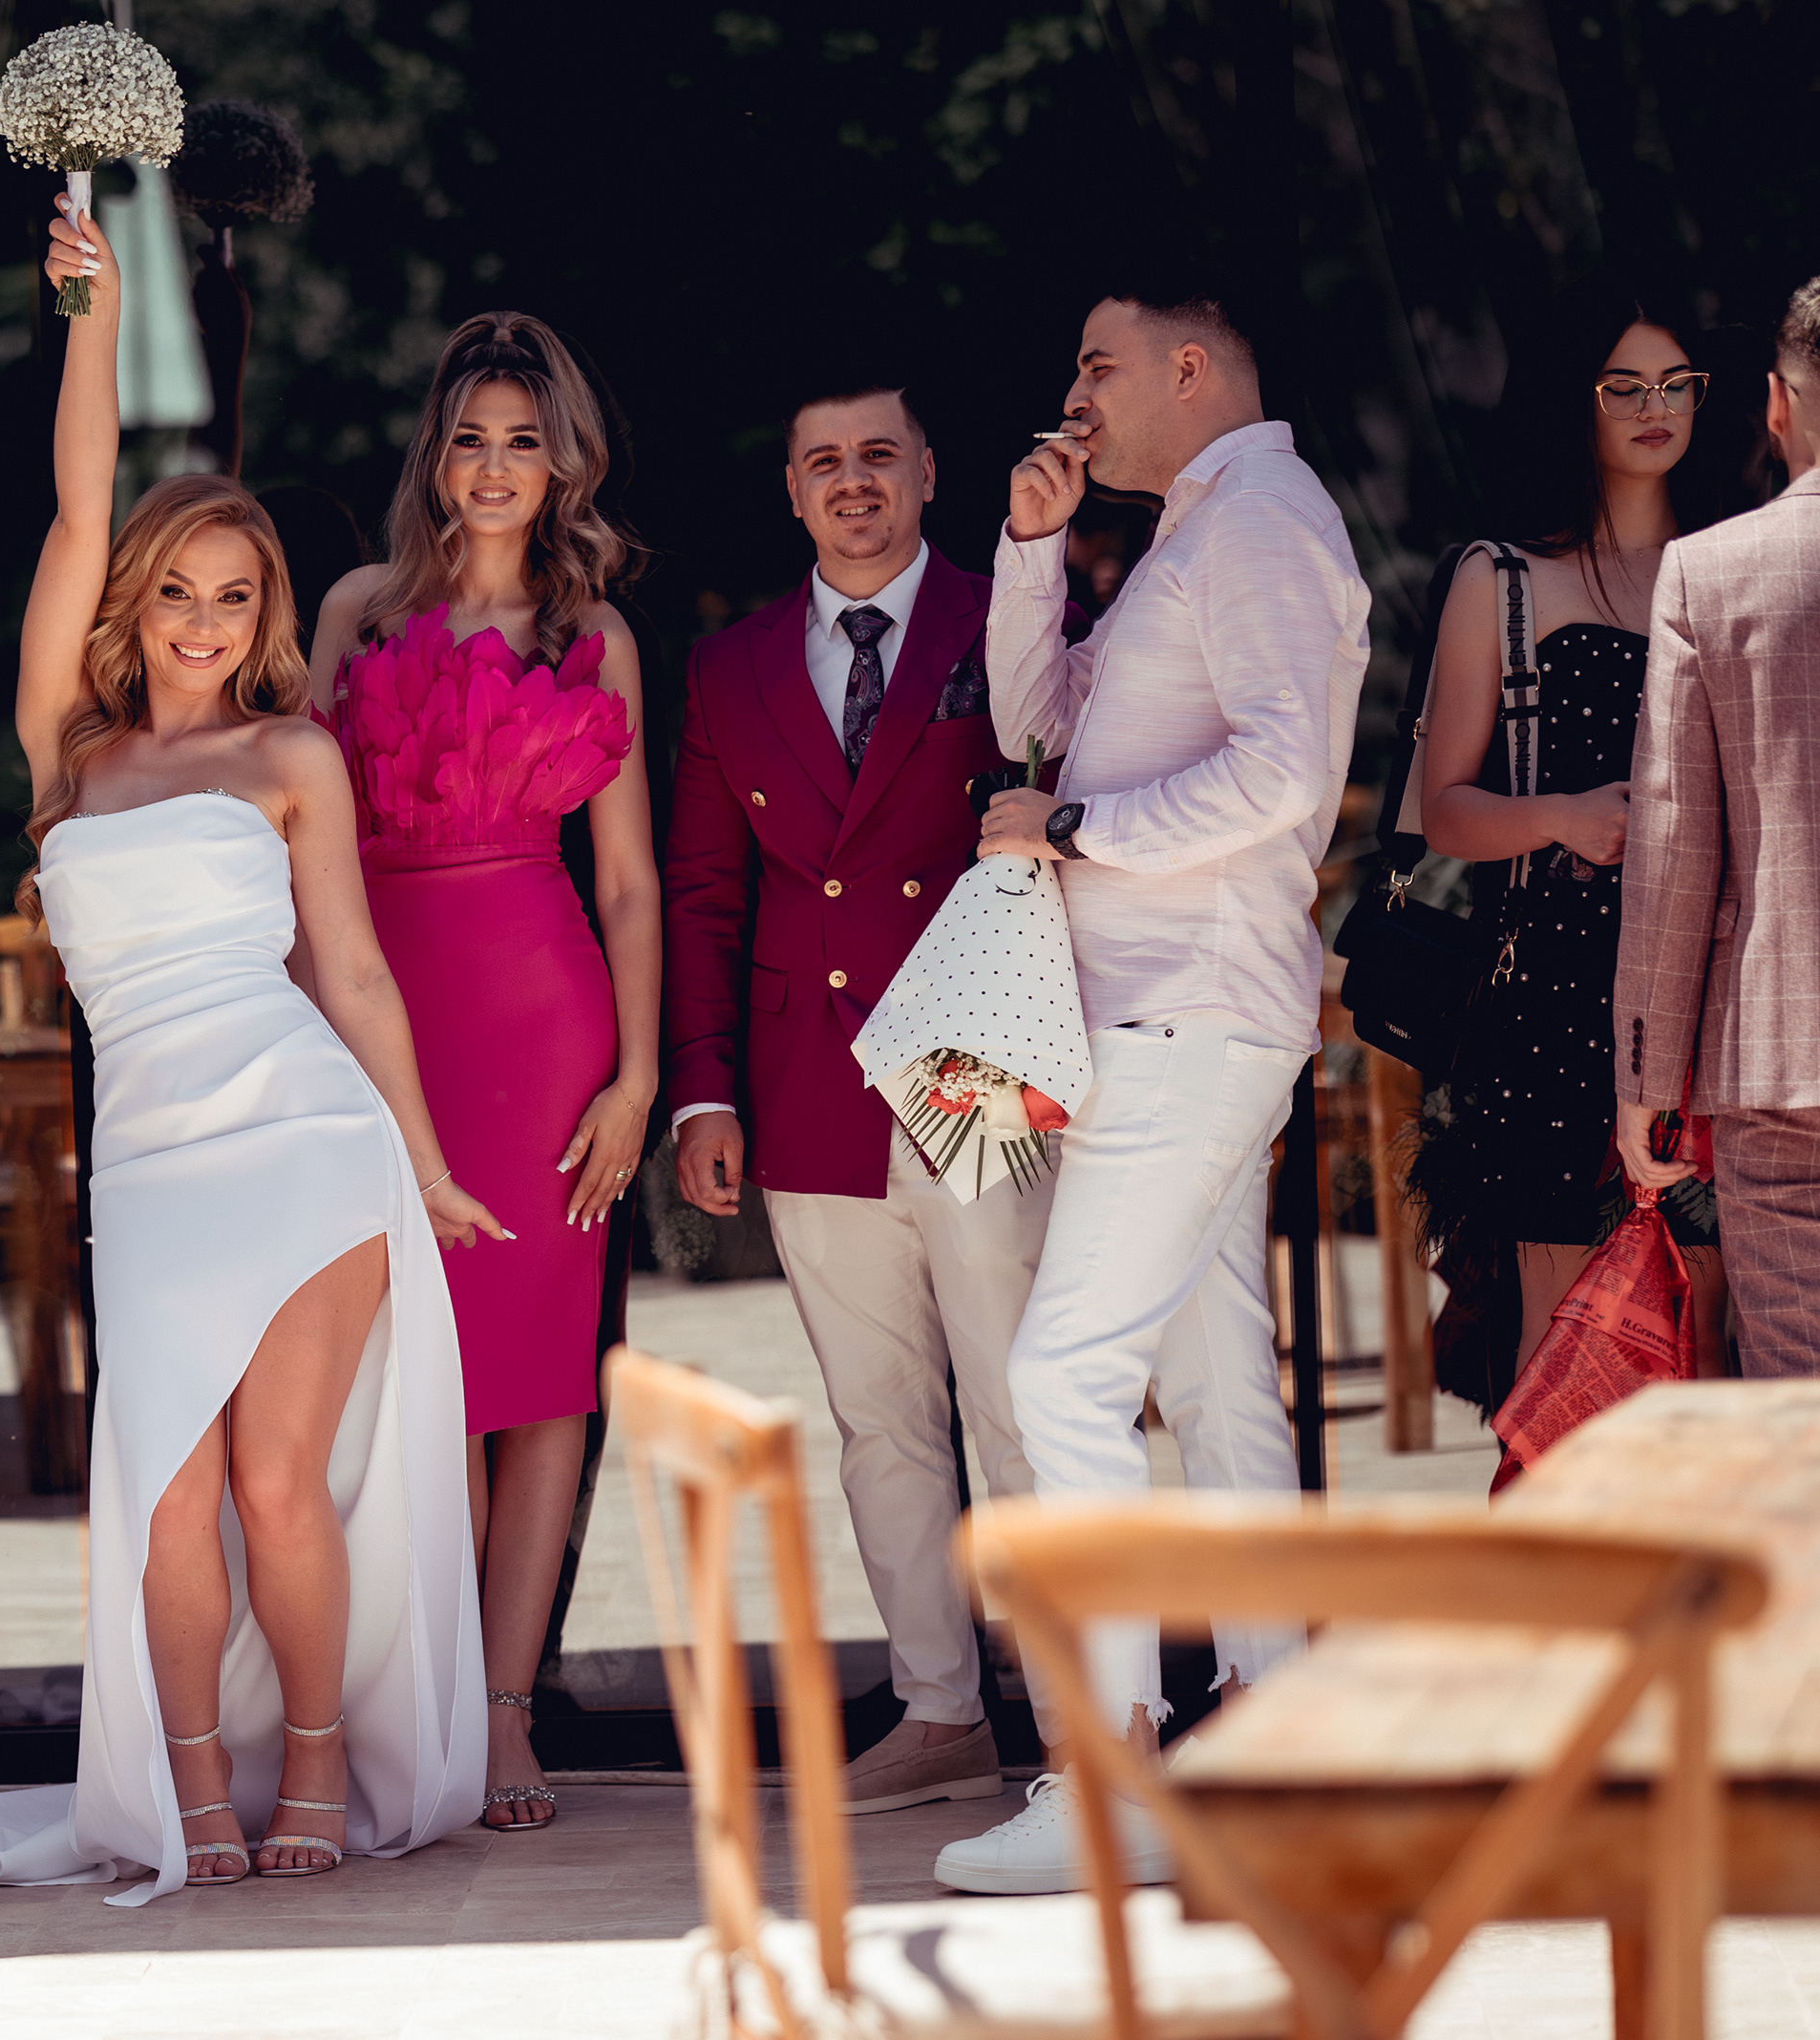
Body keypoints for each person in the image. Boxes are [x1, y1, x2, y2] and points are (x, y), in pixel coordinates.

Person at [0, 199, 496, 1901]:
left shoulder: (293, 758)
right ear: (137, 602)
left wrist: (423, 1163)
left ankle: (318, 1773)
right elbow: (76, 504)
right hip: (150, 1165)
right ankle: (192, 1785)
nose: (203, 620)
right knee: (165, 1499)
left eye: (236, 594)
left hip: (306, 1140)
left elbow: (355, 974)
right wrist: (97, 317)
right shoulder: (72, 751)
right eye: (179, 591)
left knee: (281, 1486)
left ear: (267, 611)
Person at [959, 284, 1370, 1895]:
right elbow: (1036, 722)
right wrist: (1032, 548)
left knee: (1065, 1375)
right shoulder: (1198, 530)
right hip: (1169, 1014)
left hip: (1186, 1012)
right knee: (1213, 1384)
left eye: (1098, 365)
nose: (1075, 395)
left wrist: (1075, 836)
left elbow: (1284, 772)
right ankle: (1279, 1743)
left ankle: (1109, 1777)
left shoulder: (1260, 521)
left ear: (1187, 368)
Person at [662, 379, 1043, 1821]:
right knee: (880, 1416)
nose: (854, 481)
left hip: (975, 1056)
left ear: (929, 472)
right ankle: (942, 1710)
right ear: (792, 489)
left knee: (1018, 1400)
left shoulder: (1008, 619)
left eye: (880, 454)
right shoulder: (730, 666)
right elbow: (705, 890)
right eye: (823, 461)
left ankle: (1083, 1709)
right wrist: (703, 1091)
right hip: (809, 1074)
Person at [307, 312, 656, 1834]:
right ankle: (429, 1698)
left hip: (545, 1025)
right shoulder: (357, 612)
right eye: (471, 440)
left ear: (562, 462)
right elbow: (294, 830)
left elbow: (629, 884)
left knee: (540, 1376)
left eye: (524, 441)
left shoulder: (595, 636)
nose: (497, 467)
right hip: (382, 1016)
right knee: (420, 1370)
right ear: (434, 460)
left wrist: (636, 1081)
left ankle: (504, 1712)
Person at [1409, 296, 1737, 1396]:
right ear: (1574, 401)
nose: (1656, 407)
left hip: (1711, 983)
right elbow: (1445, 809)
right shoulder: (1502, 578)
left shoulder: (1732, 563)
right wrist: (1563, 815)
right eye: (1624, 385)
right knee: (1565, 1353)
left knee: (1708, 1332)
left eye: (1678, 383)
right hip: (1553, 995)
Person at [1615, 275, 1820, 1375]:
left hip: (1781, 1062)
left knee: (1799, 1397)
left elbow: (1674, 850)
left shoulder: (1711, 572)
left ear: (1778, 404)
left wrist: (1647, 1079)